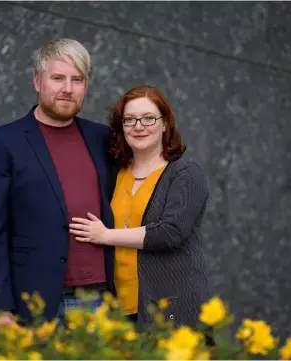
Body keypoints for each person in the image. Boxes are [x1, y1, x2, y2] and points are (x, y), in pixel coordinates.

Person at [0, 38, 116, 326]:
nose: (67, 88)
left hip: (100, 300)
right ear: (37, 82)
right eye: (58, 78)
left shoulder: (102, 138)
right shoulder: (4, 141)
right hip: (34, 302)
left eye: (77, 79)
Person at [69, 85, 210, 329]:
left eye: (148, 118)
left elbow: (170, 233)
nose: (138, 126)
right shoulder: (117, 173)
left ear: (165, 123)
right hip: (120, 307)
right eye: (130, 119)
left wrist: (105, 235)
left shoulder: (185, 174)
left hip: (170, 307)